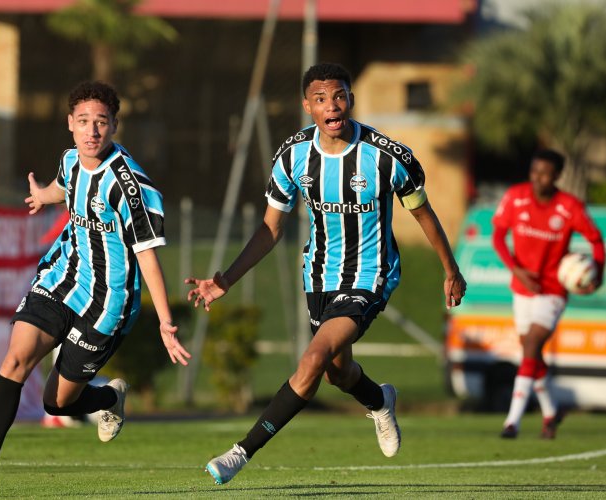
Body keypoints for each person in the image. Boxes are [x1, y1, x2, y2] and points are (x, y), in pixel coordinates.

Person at [185, 63, 466, 485]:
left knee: (313, 359)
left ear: (350, 99)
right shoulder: (293, 157)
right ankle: (379, 400)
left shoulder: (387, 156)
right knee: (337, 371)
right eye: (321, 99)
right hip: (319, 276)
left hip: (371, 275)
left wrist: (450, 269)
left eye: (339, 96)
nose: (331, 106)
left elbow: (423, 214)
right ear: (307, 107)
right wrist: (225, 279)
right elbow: (269, 229)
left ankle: (241, 452)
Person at [0, 81, 191, 497]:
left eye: (101, 123)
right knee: (15, 360)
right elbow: (65, 185)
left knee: (57, 402)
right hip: (62, 276)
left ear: (114, 126)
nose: (92, 131)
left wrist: (164, 321)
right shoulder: (72, 159)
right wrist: (44, 196)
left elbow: (146, 256)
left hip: (108, 301)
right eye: (84, 121)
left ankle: (107, 398)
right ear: (70, 123)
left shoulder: (129, 186)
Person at [492, 149, 605, 440]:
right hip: (522, 289)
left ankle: (512, 422)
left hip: (552, 291)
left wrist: (599, 274)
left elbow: (595, 239)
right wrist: (516, 270)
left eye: (545, 173)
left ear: (557, 176)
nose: (539, 178)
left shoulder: (569, 206)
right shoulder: (515, 197)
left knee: (530, 346)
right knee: (532, 354)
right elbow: (497, 236)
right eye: (535, 172)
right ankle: (552, 413)